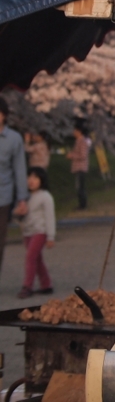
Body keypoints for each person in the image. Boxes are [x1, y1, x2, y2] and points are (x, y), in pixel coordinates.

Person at [16, 166, 55, 299]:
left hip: (40, 231)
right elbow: (20, 217)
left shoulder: (45, 197)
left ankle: (27, 286)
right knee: (37, 259)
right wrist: (18, 213)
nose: (31, 180)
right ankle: (46, 284)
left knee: (30, 257)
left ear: (42, 180)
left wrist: (50, 236)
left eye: (35, 177)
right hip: (28, 233)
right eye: (29, 177)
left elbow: (50, 217)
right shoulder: (25, 197)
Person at [0, 98, 28, 279]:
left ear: (4, 115)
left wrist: (22, 198)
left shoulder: (13, 139)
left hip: (3, 196)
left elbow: (19, 169)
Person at [69, 119, 91, 210]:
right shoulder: (80, 141)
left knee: (80, 187)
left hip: (80, 167)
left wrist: (72, 155)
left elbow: (83, 155)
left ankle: (82, 205)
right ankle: (82, 204)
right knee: (79, 187)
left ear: (79, 131)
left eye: (75, 130)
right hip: (79, 167)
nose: (73, 132)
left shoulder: (81, 141)